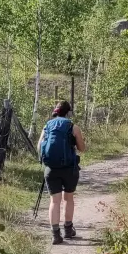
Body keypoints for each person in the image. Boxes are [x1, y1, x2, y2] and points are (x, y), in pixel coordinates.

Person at [38, 100, 86, 245]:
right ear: (68, 112)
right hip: (69, 169)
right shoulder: (73, 127)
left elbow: (39, 146)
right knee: (68, 198)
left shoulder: (47, 126)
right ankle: (68, 229)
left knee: (54, 201)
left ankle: (55, 234)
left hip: (51, 169)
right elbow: (82, 148)